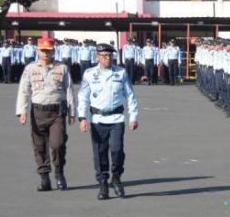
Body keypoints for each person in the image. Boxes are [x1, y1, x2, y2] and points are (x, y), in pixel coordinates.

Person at [78, 43, 139, 200]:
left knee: (117, 150)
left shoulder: (121, 73)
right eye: (104, 55)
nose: (108, 58)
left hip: (116, 118)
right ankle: (103, 183)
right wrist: (82, 117)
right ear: (97, 56)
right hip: (97, 119)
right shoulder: (89, 74)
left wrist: (133, 117)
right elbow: (83, 97)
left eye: (110, 55)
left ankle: (117, 178)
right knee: (100, 153)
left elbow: (130, 96)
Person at [15, 38, 75, 191]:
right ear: (37, 51)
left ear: (53, 51)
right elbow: (24, 90)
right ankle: (44, 178)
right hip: (38, 112)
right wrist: (22, 110)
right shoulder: (30, 68)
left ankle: (59, 173)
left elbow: (69, 90)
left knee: (58, 144)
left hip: (57, 112)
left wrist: (72, 112)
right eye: (43, 50)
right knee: (40, 146)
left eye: (48, 50)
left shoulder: (62, 68)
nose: (45, 53)